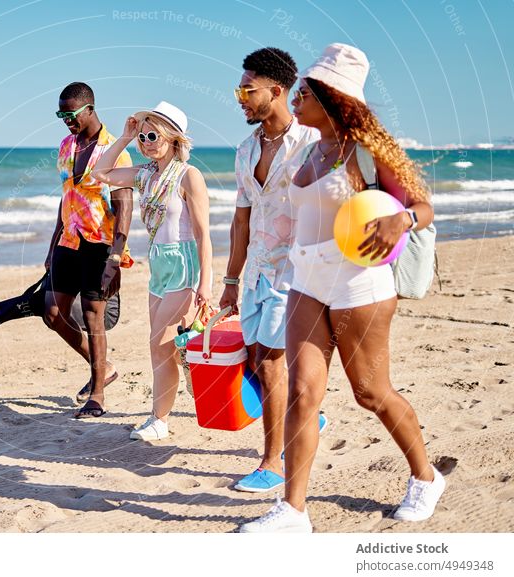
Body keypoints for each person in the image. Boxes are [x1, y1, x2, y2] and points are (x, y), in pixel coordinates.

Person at [240, 44, 443, 533]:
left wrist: (403, 220)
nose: (297, 100)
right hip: (305, 281)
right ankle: (292, 512)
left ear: (332, 99)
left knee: (370, 392)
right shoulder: (310, 149)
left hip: (359, 285)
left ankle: (425, 476)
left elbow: (423, 207)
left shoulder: (368, 151)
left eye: (305, 93)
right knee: (303, 394)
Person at [220, 47, 327, 493]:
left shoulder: (310, 143)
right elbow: (242, 218)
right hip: (257, 274)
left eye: (247, 90)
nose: (240, 98)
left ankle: (272, 463)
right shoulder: (246, 151)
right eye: (239, 90)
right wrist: (229, 279)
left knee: (272, 364)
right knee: (259, 359)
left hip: (296, 272)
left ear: (276, 91)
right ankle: (307, 415)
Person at [92, 101, 212, 440]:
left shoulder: (190, 176)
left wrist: (207, 283)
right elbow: (100, 174)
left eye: (152, 134)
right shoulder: (145, 174)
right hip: (158, 266)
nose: (146, 141)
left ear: (173, 138)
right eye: (142, 135)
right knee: (167, 347)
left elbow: (204, 234)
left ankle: (159, 420)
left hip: (184, 265)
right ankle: (186, 375)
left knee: (158, 343)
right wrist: (125, 138)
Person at [43, 82, 134, 419]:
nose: (66, 120)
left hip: (99, 245)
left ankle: (97, 395)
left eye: (71, 114)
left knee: (94, 318)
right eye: (61, 114)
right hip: (68, 241)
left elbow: (124, 206)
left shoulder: (114, 149)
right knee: (52, 313)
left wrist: (116, 257)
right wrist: (53, 244)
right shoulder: (66, 145)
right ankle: (104, 368)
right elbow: (66, 196)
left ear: (90, 109)